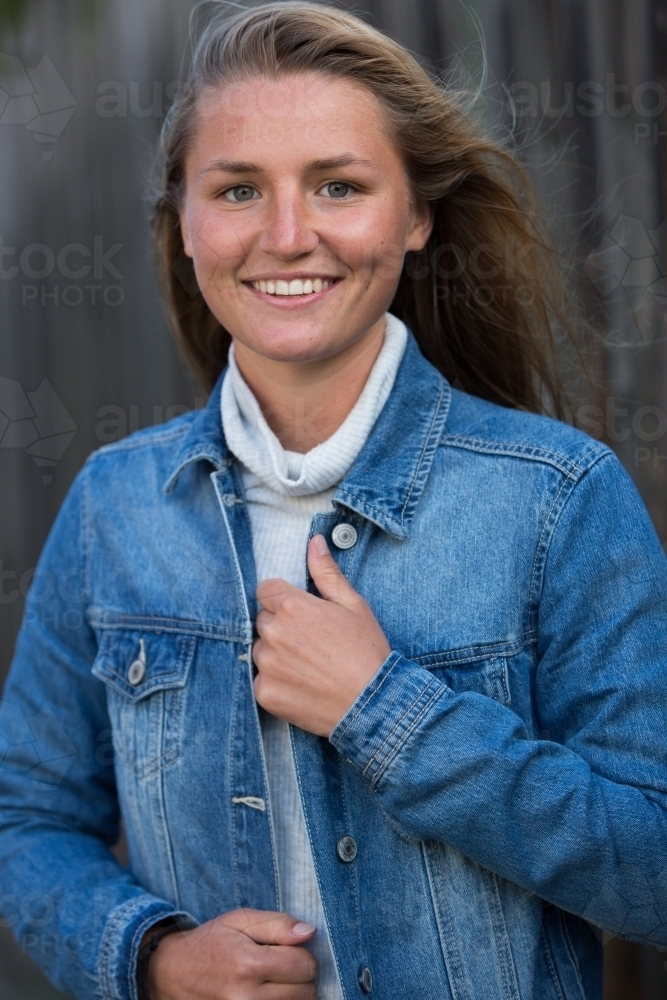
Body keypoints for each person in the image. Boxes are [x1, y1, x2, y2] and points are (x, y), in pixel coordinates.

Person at [1, 3, 666, 999]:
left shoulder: (558, 499)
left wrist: (385, 711)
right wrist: (152, 956)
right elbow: (27, 819)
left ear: (414, 214)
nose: (285, 235)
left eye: (338, 185)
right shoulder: (114, 506)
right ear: (183, 222)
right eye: (236, 189)